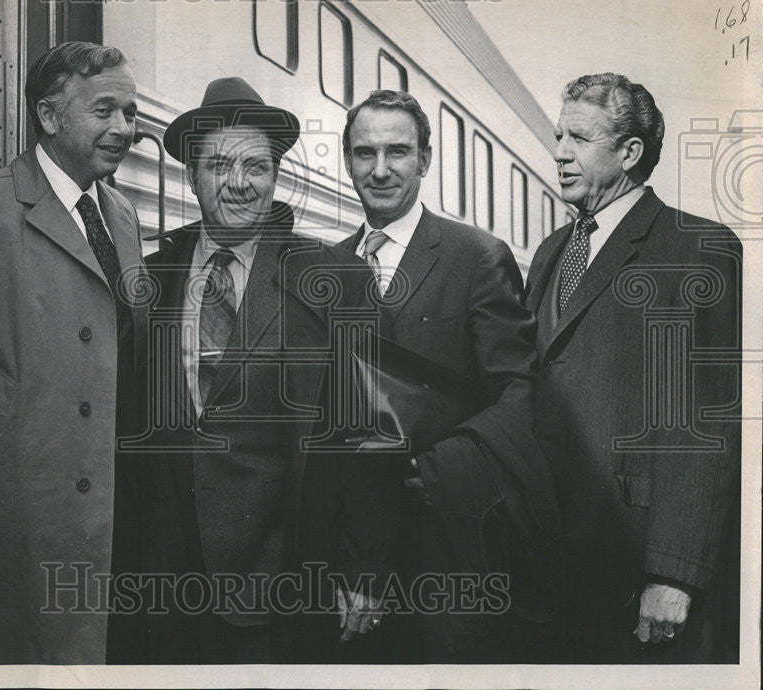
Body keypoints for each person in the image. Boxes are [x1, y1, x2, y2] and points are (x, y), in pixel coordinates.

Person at [0, 41, 147, 663]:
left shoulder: (121, 215)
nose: (124, 129)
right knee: (17, 649)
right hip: (20, 495)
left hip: (104, 490)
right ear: (49, 116)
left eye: (130, 112)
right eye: (105, 111)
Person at [139, 77, 379, 663]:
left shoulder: (330, 278)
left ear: (276, 176)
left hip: (282, 579)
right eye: (220, 166)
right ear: (192, 176)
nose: (240, 184)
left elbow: (369, 436)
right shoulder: (154, 275)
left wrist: (361, 570)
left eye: (257, 166)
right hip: (164, 582)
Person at [336, 89, 560, 662]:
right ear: (347, 161)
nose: (380, 170)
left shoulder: (478, 256)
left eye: (398, 152)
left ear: (426, 160)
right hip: (351, 557)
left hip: (452, 547)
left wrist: (439, 470)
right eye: (364, 153)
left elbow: (517, 391)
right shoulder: (328, 267)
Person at [524, 73, 741, 662]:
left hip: (635, 564)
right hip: (551, 560)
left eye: (580, 137)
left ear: (629, 152)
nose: (560, 152)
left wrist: (674, 571)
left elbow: (707, 422)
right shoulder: (551, 252)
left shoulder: (697, 248)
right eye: (558, 134)